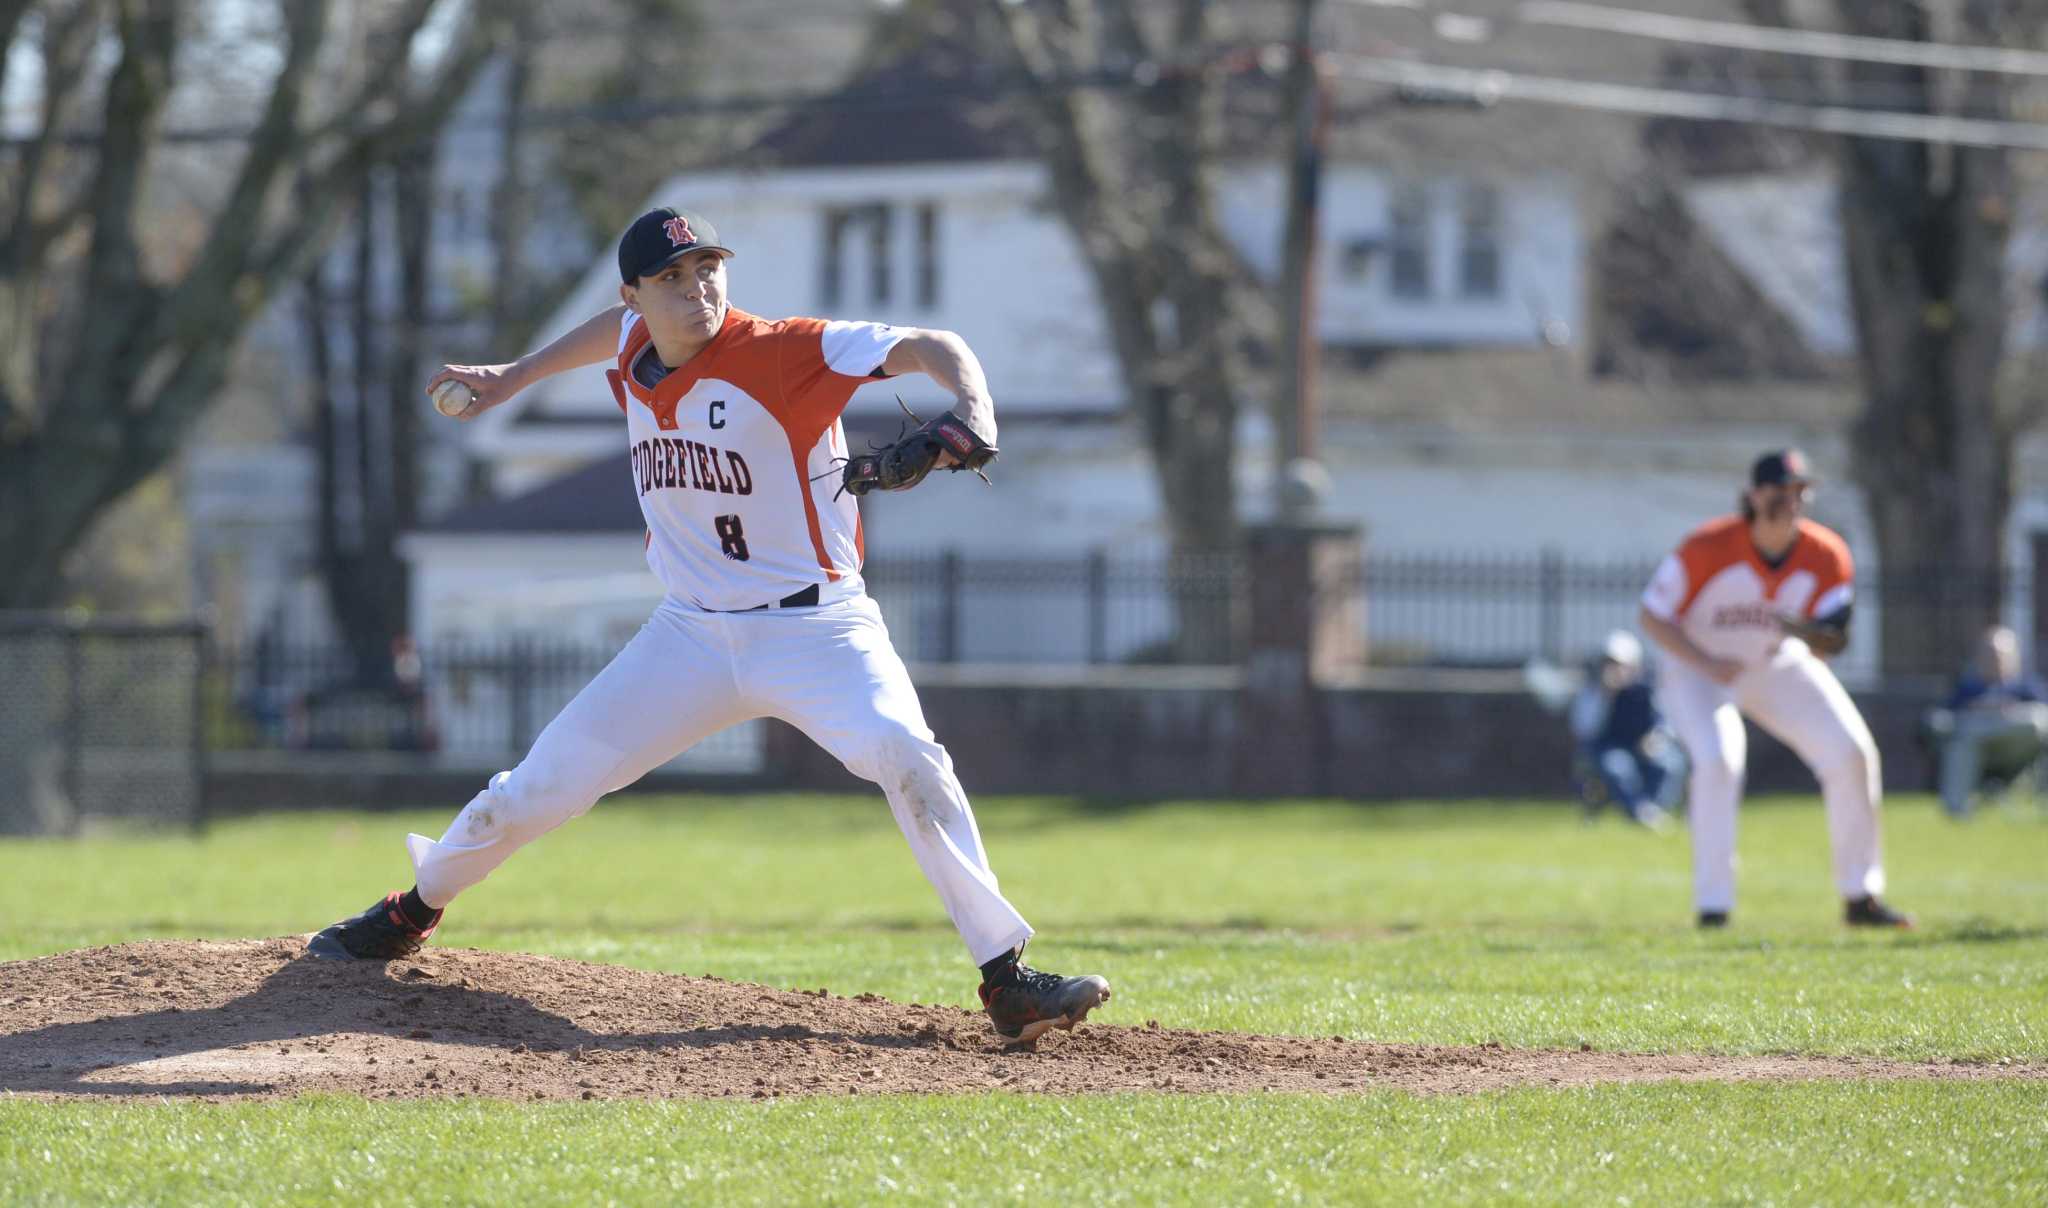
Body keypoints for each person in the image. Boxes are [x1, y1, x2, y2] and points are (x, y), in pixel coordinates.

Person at [306, 207, 1111, 1046]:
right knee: (537, 789)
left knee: (910, 759)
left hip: (820, 630)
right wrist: (515, 375)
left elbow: (935, 344)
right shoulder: (631, 342)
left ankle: (1006, 976)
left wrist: (973, 409)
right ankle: (413, 907)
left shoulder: (784, 349)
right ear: (636, 296)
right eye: (672, 280)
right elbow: (610, 333)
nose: (698, 290)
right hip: (687, 635)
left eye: (708, 269)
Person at [1636, 449, 1912, 929]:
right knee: (1719, 760)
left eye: (1800, 490)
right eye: (1780, 490)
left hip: (1773, 661)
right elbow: (1652, 616)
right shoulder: (1709, 546)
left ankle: (1860, 897)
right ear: (1753, 495)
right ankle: (1714, 906)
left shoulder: (1826, 553)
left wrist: (1816, 635)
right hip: (1699, 667)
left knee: (1851, 753)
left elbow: (1833, 634)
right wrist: (1705, 662)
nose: (1791, 499)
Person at [1929, 624, 2048, 818]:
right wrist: (1978, 708)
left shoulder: (2026, 687)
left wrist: (2011, 709)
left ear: (2013, 658)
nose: (1994, 660)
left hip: (2022, 745)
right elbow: (1943, 717)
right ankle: (1956, 811)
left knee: (2038, 718)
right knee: (1961, 741)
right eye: (1989, 654)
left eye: (2000, 655)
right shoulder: (1968, 688)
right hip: (1980, 748)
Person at [1569, 629, 1684, 830]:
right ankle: (1640, 813)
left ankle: (1651, 810)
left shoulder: (1648, 689)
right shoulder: (1594, 692)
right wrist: (1606, 696)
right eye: (1609, 663)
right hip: (1610, 748)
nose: (1614, 669)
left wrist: (1655, 738)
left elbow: (1666, 722)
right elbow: (1585, 729)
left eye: (1619, 664)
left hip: (1646, 747)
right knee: (1618, 767)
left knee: (1670, 764)